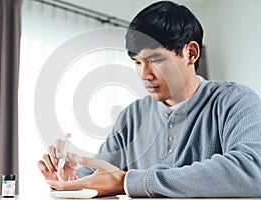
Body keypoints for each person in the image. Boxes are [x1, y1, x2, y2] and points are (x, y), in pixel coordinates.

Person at [38, 1, 261, 197]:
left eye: (155, 60)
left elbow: (252, 171)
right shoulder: (132, 116)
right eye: (137, 62)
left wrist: (127, 181)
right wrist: (71, 180)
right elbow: (103, 175)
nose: (144, 74)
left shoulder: (235, 101)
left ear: (191, 53)